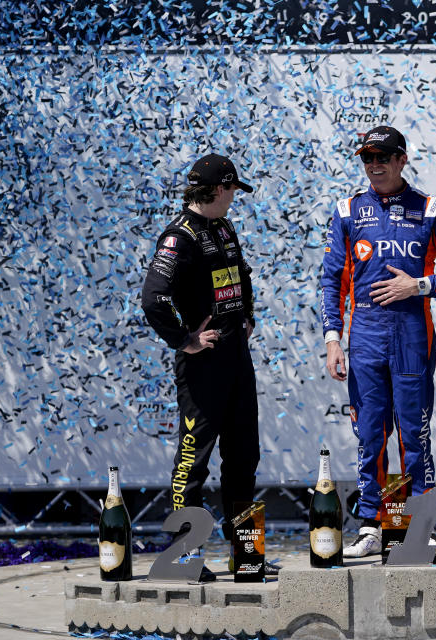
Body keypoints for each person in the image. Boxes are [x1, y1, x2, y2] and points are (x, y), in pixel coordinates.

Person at [321, 126, 436, 558]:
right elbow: (332, 277)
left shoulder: (431, 208)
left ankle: (420, 525)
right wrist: (333, 339)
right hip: (366, 336)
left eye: (384, 157)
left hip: (412, 335)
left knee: (414, 434)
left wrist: (421, 285)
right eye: (368, 158)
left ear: (402, 159)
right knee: (370, 434)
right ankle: (371, 525)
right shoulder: (348, 210)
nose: (375, 165)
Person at [141, 153, 264, 580]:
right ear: (216, 189)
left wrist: (247, 314)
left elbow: (240, 274)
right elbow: (154, 297)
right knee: (194, 459)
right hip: (204, 361)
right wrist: (185, 340)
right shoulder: (180, 236)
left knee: (245, 454)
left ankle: (244, 552)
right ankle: (182, 555)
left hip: (235, 355)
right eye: (232, 190)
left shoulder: (224, 227)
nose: (234, 198)